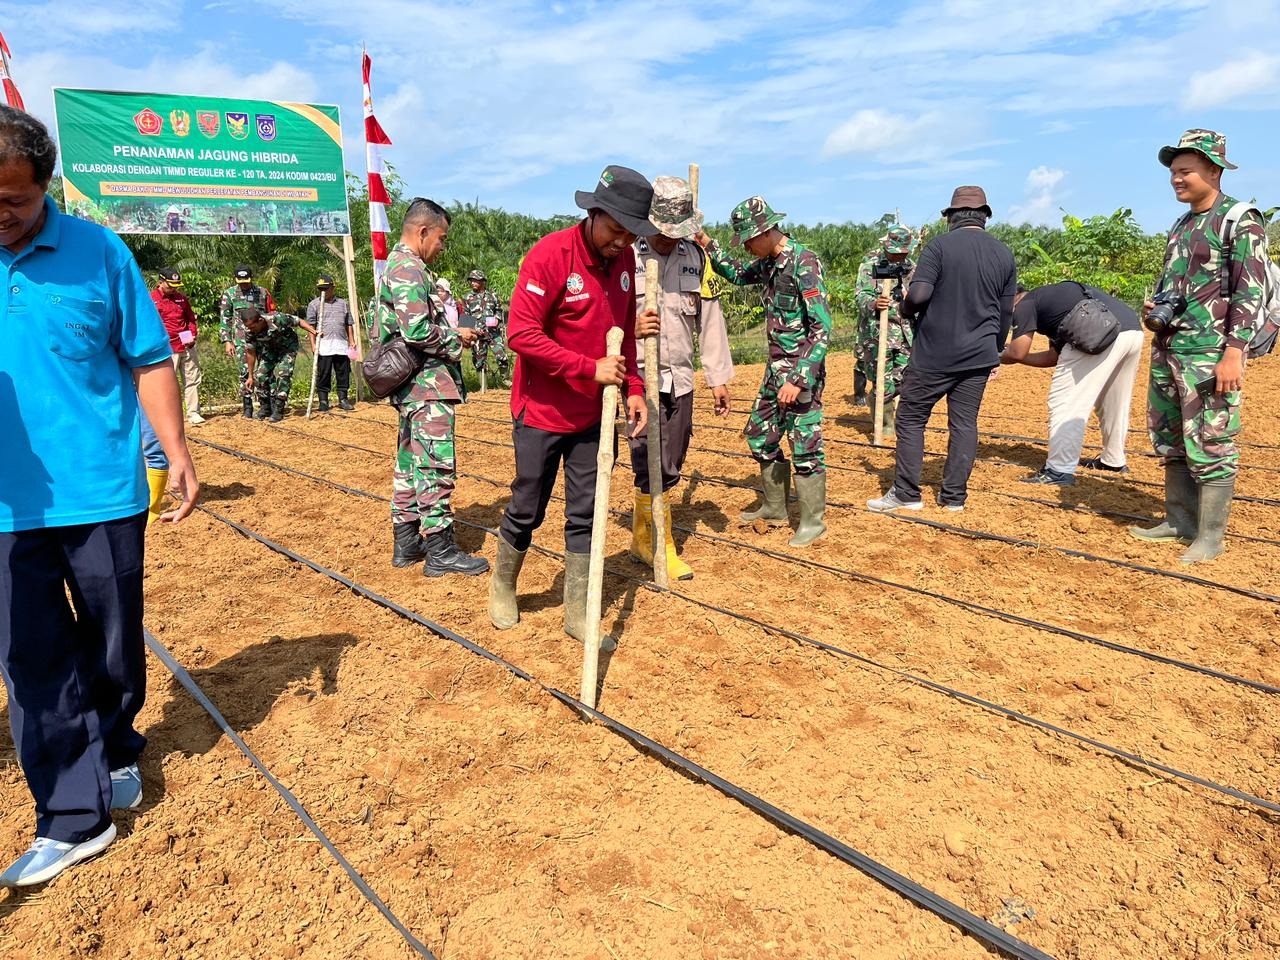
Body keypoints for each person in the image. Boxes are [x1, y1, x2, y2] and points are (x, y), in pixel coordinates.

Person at [0, 105, 199, 886]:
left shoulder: (100, 253)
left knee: (112, 640)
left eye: (13, 200)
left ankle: (115, 746)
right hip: (8, 505)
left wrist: (176, 451)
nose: (0, 215)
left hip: (101, 491)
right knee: (30, 656)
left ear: (43, 187)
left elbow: (149, 359)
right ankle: (73, 817)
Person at [488, 165, 659, 638]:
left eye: (631, 233)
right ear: (593, 213)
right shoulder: (550, 255)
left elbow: (622, 338)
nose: (622, 242)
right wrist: (587, 368)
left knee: (585, 512)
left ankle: (577, 611)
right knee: (528, 506)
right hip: (542, 411)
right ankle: (504, 584)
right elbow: (521, 334)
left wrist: (634, 389)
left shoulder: (624, 263)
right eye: (615, 229)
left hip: (593, 416)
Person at [1130, 129, 1268, 563]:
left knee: (1212, 439)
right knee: (1171, 436)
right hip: (1170, 347)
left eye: (1185, 170)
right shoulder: (1183, 224)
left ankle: (1210, 537)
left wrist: (1235, 352)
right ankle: (1179, 520)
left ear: (1214, 170)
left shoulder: (1240, 220)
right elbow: (1180, 285)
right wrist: (1157, 304)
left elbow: (1250, 290)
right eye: (1173, 171)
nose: (1176, 178)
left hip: (1210, 353)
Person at [868, 186, 1016, 513]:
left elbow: (919, 295)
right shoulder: (1003, 253)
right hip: (979, 355)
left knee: (911, 418)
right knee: (964, 424)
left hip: (935, 354)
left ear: (951, 217)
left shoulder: (939, 247)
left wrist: (904, 308)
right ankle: (953, 498)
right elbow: (1006, 311)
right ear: (984, 216)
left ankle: (906, 494)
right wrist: (995, 351)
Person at [698, 196, 832, 547]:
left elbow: (822, 329)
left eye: (748, 240)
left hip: (799, 373)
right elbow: (737, 274)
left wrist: (798, 378)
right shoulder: (768, 263)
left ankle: (813, 523)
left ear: (766, 231)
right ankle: (774, 508)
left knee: (804, 445)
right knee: (760, 434)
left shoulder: (804, 262)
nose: (745, 247)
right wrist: (705, 242)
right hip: (775, 371)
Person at [375, 197, 487, 577]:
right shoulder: (409, 268)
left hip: (414, 387)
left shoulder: (399, 265)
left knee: (409, 463)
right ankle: (440, 550)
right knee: (435, 465)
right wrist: (457, 338)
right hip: (427, 385)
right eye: (441, 238)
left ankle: (407, 541)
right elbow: (418, 330)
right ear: (423, 231)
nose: (441, 246)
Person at [630, 175, 733, 579]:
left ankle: (644, 533)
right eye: (664, 230)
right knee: (647, 457)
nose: (669, 238)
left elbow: (710, 318)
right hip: (640, 377)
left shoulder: (696, 257)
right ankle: (657, 541)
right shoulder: (628, 255)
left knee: (672, 458)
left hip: (681, 379)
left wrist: (718, 377)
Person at [1000, 282, 1144, 485]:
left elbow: (1017, 351)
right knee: (1114, 402)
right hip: (1131, 330)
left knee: (1066, 402)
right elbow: (1052, 357)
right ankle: (1113, 460)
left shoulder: (1024, 304)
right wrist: (1014, 356)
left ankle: (1058, 470)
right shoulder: (1050, 302)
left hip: (1098, 330)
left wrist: (995, 356)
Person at [853, 225, 917, 433]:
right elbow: (860, 296)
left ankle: (895, 417)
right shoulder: (870, 266)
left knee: (904, 379)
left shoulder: (912, 268)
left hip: (906, 335)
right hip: (878, 335)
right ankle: (885, 427)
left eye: (903, 253)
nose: (899, 257)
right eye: (895, 253)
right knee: (881, 382)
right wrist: (874, 303)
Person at [238, 305, 315, 422]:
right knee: (260, 375)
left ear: (260, 320)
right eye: (248, 327)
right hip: (270, 350)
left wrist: (313, 331)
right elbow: (250, 353)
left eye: (252, 327)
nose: (250, 329)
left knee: (284, 374)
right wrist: (250, 376)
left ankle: (279, 409)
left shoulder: (277, 318)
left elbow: (299, 321)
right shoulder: (249, 331)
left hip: (287, 348)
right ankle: (265, 408)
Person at [218, 264, 275, 418]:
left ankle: (266, 405)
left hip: (263, 339)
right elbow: (225, 319)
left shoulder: (262, 292)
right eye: (240, 281)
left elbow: (272, 314)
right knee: (245, 373)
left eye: (246, 281)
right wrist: (227, 341)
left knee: (265, 371)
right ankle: (247, 407)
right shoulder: (229, 294)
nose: (244, 284)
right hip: (242, 340)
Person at [151, 267, 204, 425]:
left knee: (192, 379)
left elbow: (190, 319)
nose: (173, 289)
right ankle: (168, 416)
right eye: (170, 285)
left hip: (187, 345)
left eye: (176, 286)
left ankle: (193, 413)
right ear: (161, 282)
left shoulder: (181, 299)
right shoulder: (151, 299)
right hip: (167, 347)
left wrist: (192, 335)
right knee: (167, 383)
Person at [306, 273, 356, 412]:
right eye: (321, 289)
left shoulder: (343, 304)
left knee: (343, 372)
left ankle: (343, 399)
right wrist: (313, 345)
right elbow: (311, 326)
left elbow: (349, 323)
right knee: (324, 373)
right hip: (324, 346)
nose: (324, 292)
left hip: (341, 344)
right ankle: (323, 401)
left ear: (333, 288)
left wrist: (351, 340)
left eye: (326, 289)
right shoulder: (314, 305)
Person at [464, 269, 511, 385]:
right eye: (471, 280)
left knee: (502, 356)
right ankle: (483, 388)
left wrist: (494, 321)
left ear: (483, 281)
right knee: (479, 362)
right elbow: (466, 318)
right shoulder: (468, 298)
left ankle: (505, 380)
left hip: (493, 334)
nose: (473, 283)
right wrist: (474, 331)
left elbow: (499, 311)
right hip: (477, 336)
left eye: (476, 280)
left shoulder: (492, 296)